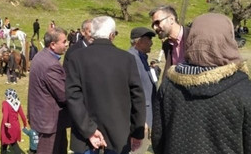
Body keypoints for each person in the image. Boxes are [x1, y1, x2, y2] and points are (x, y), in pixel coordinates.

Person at [152, 13, 251, 154]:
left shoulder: (169, 86)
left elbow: (158, 139)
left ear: (192, 40)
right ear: (228, 41)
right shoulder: (246, 91)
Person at [66, 16, 146, 154]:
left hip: (85, 134)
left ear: (93, 33)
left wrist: (89, 130)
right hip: (118, 135)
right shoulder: (127, 59)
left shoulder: (76, 57)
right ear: (112, 35)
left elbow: (73, 97)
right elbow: (137, 97)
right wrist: (137, 132)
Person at [28, 27, 70, 154]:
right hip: (49, 123)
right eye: (64, 41)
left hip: (43, 118)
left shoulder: (40, 56)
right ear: (52, 44)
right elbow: (63, 95)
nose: (67, 44)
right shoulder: (50, 65)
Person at [128, 27, 157, 154]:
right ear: (139, 41)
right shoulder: (131, 58)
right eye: (149, 39)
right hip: (140, 119)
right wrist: (140, 120)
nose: (151, 42)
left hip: (145, 117)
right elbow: (132, 91)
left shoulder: (142, 57)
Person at [149, 5, 190, 79]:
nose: (155, 28)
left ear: (171, 19)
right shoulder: (166, 45)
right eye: (153, 25)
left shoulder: (193, 36)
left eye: (157, 22)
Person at [0, 88, 27, 154]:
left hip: (8, 126)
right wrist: (25, 124)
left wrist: (6, 122)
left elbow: (6, 113)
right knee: (8, 142)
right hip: (16, 125)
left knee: (11, 143)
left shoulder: (5, 103)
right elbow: (22, 115)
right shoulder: (17, 103)